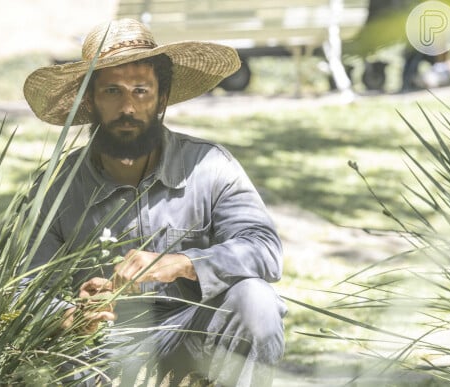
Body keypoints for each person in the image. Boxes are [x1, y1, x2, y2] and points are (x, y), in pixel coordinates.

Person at [22, 18, 286, 386]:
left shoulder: (209, 165)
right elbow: (21, 284)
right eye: (112, 91)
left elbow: (264, 249)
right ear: (89, 101)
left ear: (162, 98)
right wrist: (67, 313)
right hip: (101, 344)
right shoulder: (57, 186)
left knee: (256, 301)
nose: (128, 107)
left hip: (191, 332)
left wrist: (181, 264)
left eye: (141, 90)